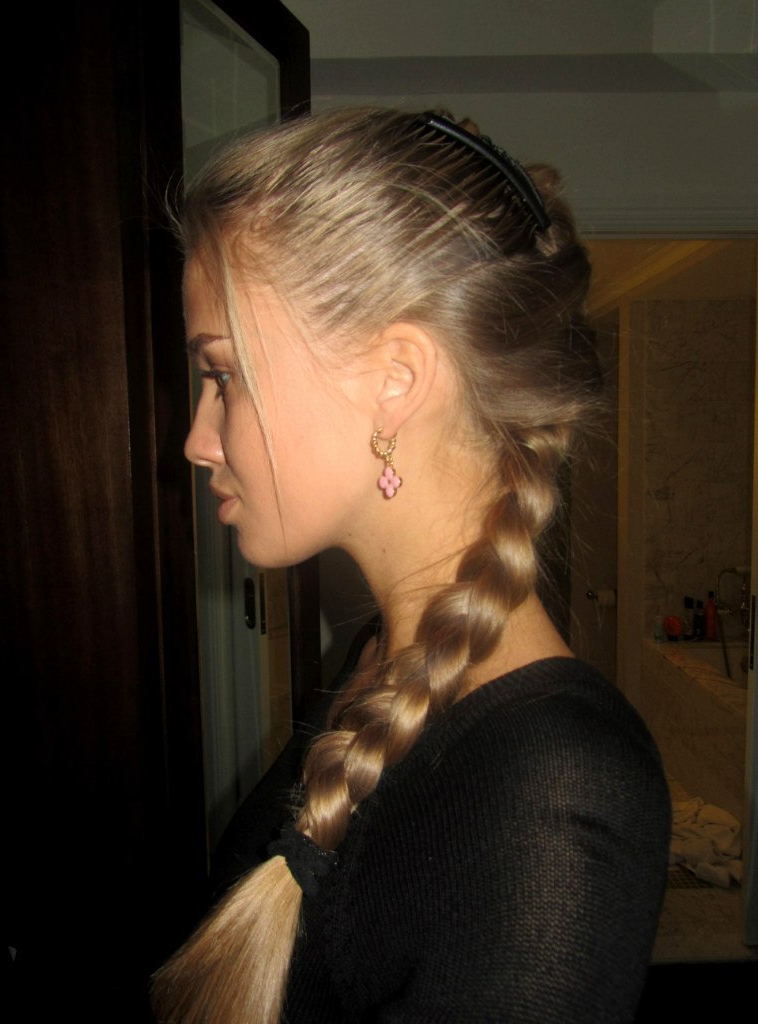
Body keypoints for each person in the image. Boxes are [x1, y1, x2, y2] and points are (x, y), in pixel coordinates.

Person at [152, 108, 671, 1023]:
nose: (197, 439)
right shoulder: (381, 660)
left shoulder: (555, 788)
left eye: (223, 375)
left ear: (396, 377)